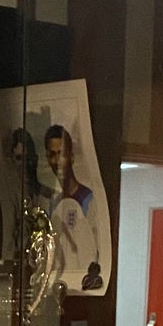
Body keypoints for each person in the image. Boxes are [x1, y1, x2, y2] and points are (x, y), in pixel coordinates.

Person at [43, 124, 106, 292]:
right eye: (52, 155)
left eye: (62, 154)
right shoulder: (52, 205)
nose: (57, 161)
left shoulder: (89, 201)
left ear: (71, 156)